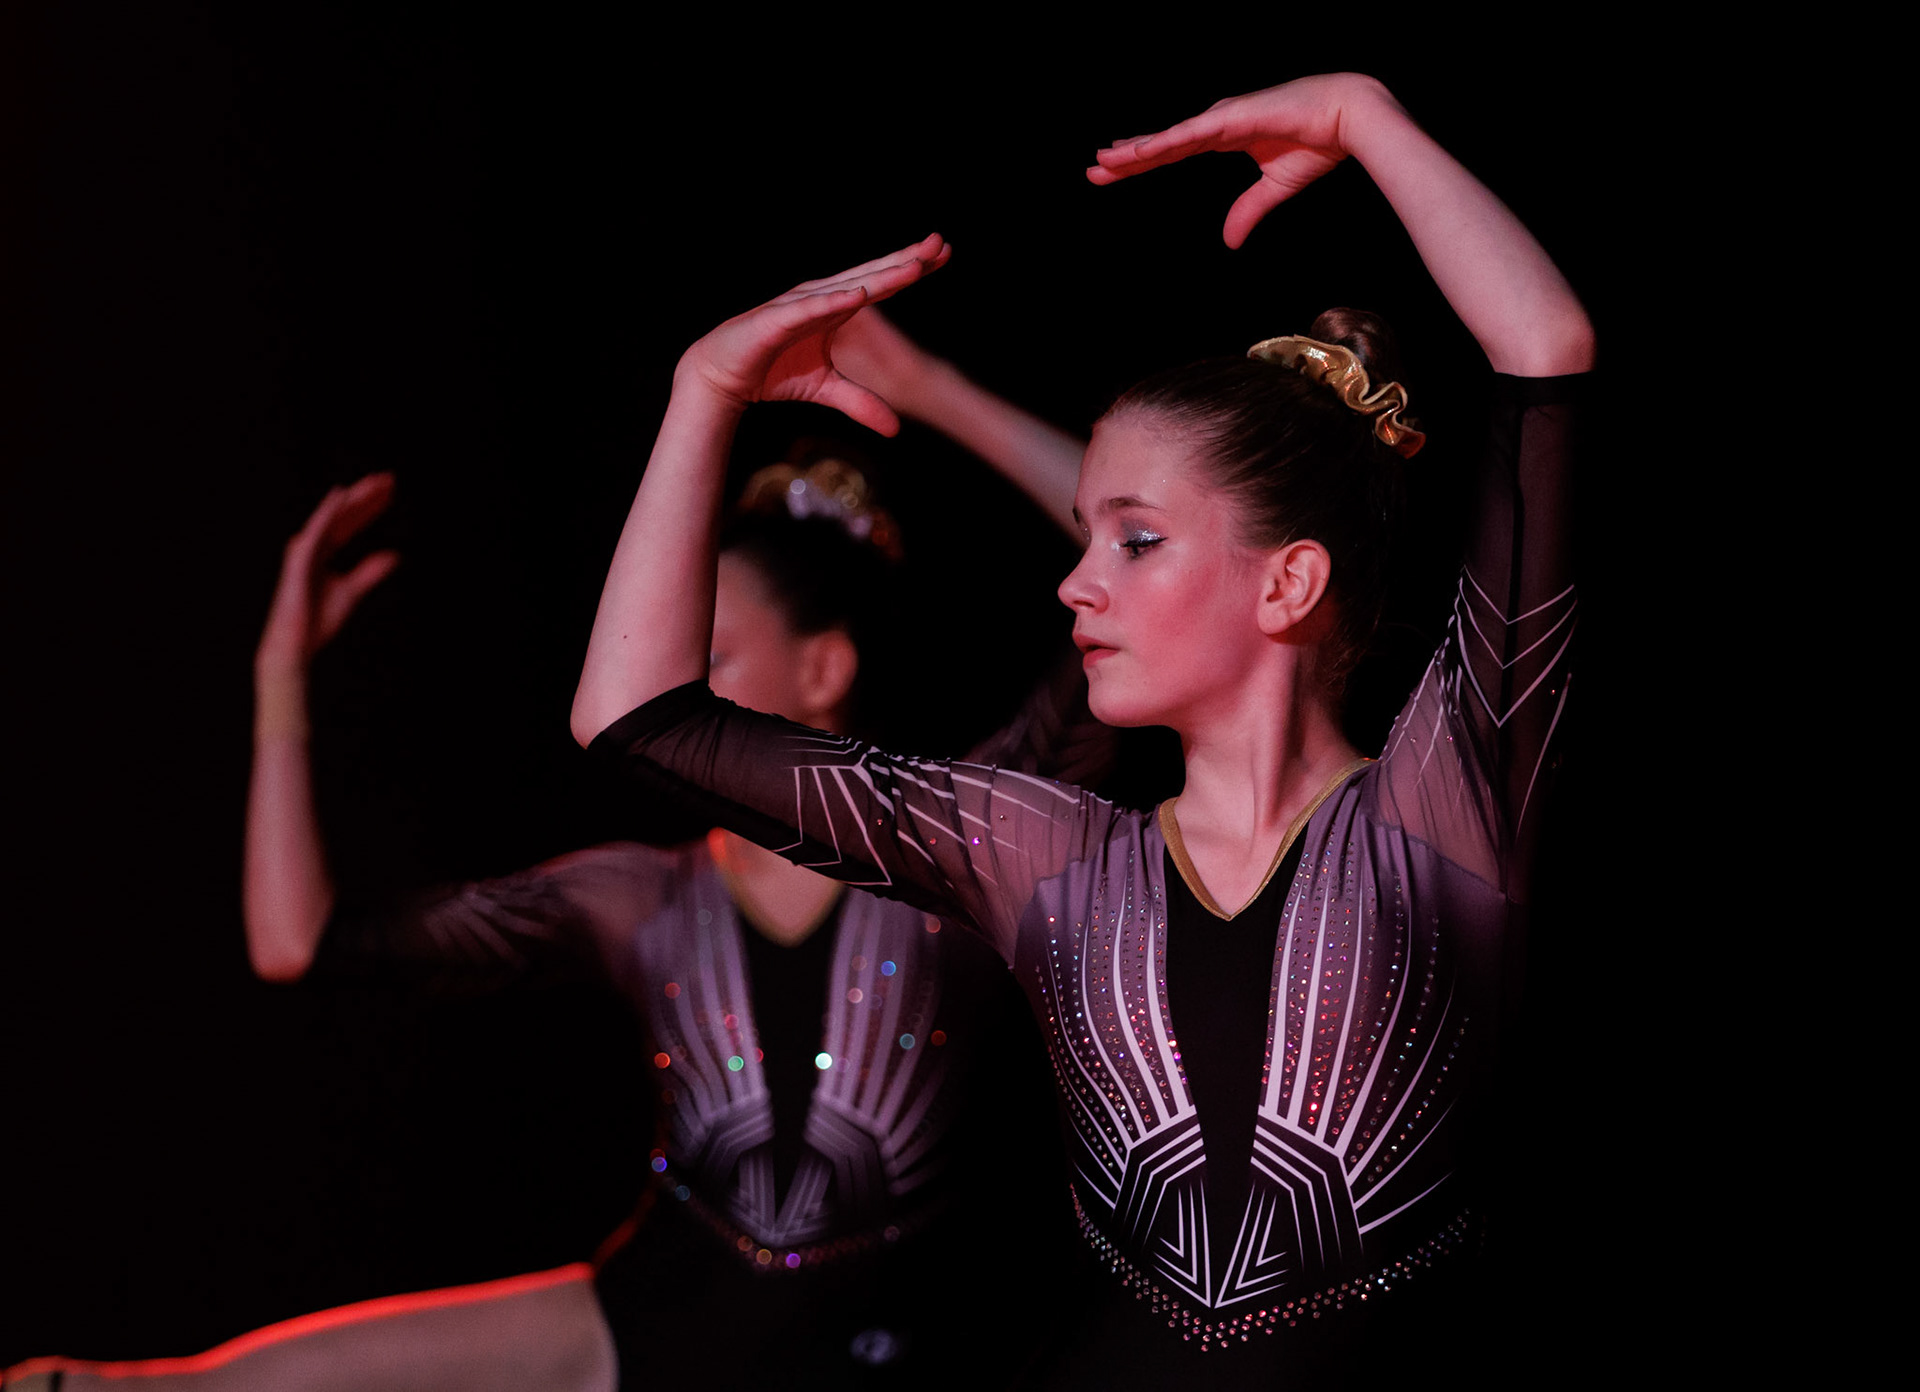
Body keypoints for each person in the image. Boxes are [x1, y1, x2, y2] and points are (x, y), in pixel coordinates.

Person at [572, 72, 1592, 1387]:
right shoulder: (1046, 858)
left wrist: (1366, 117)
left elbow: (1543, 353)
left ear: (1290, 583)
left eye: (1135, 541)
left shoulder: (1444, 810)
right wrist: (705, 388)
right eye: (1087, 536)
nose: (1074, 583)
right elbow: (636, 715)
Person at [15, 316, 1091, 1392]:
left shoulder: (961, 843)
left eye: (709, 652)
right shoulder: (643, 900)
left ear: (825, 670)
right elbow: (300, 942)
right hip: (657, 1321)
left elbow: (1132, 559)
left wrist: (927, 385)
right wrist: (277, 678)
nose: (671, 678)